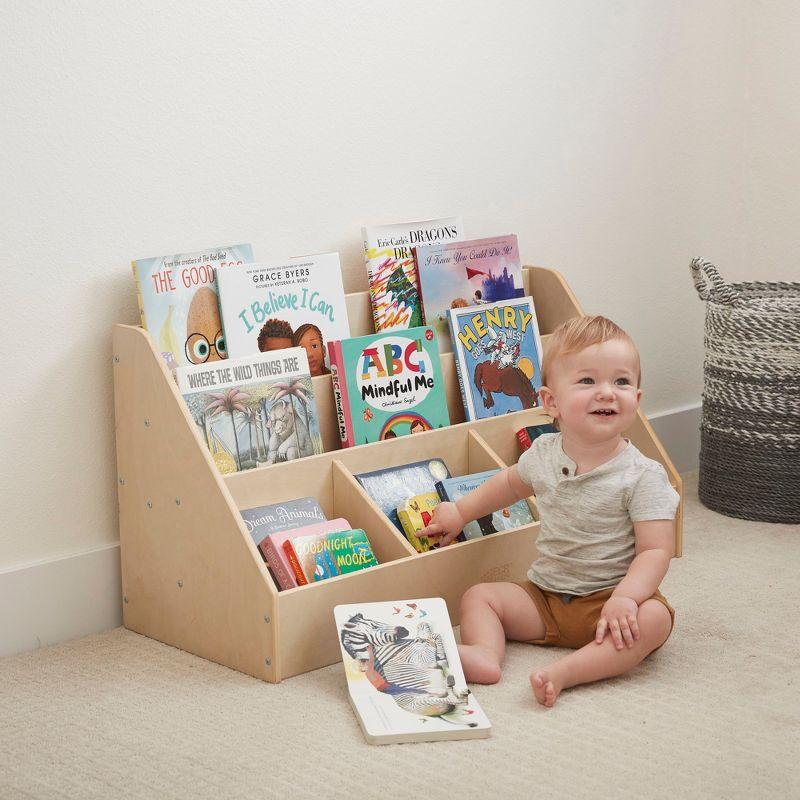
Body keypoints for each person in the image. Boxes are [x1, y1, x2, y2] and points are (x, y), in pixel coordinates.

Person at [418, 316, 679, 707]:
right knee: (480, 596)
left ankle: (570, 671)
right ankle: (485, 654)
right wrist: (461, 512)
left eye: (621, 382)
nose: (607, 393)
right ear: (550, 402)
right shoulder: (542, 454)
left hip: (610, 602)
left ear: (637, 400)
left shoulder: (643, 475)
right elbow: (508, 485)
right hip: (545, 598)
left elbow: (656, 550)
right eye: (588, 381)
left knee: (655, 621)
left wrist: (626, 597)